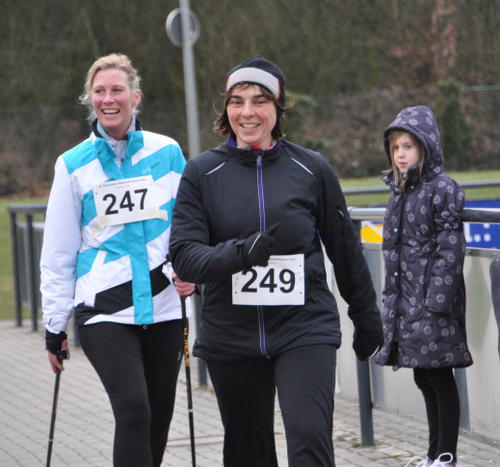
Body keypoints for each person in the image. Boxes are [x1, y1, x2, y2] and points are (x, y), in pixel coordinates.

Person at [169, 55, 383, 467]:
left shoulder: (311, 169)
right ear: (225, 108)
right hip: (231, 335)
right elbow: (185, 256)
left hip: (304, 327)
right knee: (248, 452)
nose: (247, 112)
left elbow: (344, 248)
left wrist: (367, 315)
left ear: (278, 107)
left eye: (260, 100)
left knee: (308, 438)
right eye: (237, 101)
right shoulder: (202, 173)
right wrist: (241, 254)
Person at [40, 53, 195, 467]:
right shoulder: (73, 165)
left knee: (159, 417)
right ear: (90, 99)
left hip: (164, 305)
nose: (109, 99)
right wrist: (54, 325)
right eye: (100, 91)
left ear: (135, 97)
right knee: (134, 410)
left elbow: (190, 223)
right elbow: (58, 250)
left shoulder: (167, 152)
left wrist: (192, 272)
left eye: (117, 90)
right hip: (104, 309)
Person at [373, 106, 473, 467]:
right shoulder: (399, 193)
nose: (400, 154)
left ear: (426, 148)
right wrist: (393, 301)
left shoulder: (442, 189)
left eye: (408, 147)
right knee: (423, 379)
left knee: (440, 377)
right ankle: (434, 453)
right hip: (405, 304)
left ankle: (447, 453)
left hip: (432, 304)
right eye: (396, 147)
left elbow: (450, 247)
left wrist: (436, 302)